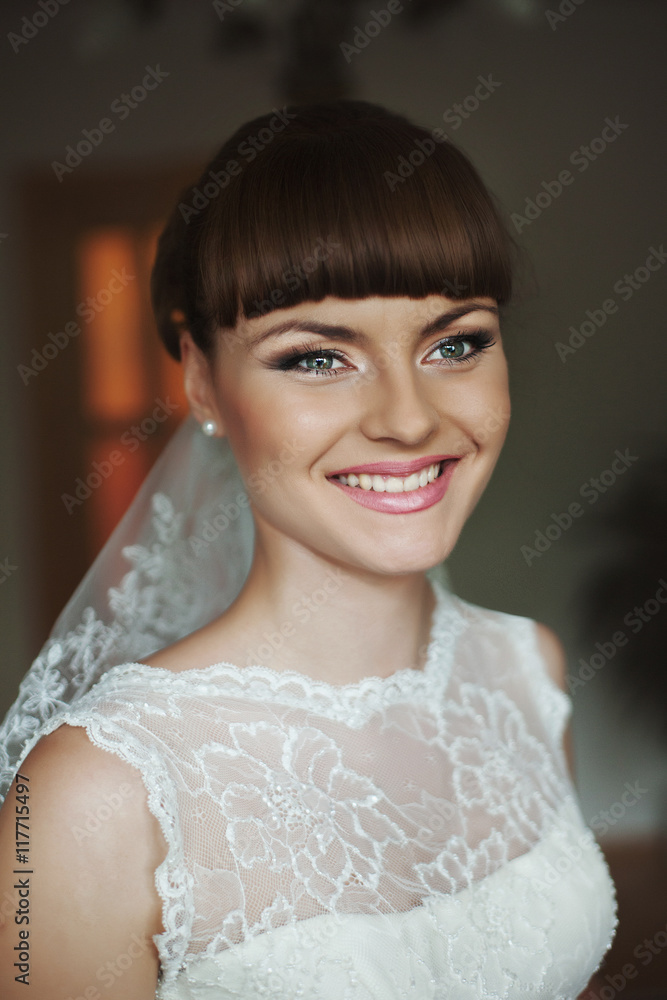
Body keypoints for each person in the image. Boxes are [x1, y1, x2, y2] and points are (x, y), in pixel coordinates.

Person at [0, 99, 616, 999]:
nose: (408, 419)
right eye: (317, 359)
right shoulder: (96, 793)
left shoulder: (526, 670)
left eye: (455, 344)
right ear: (201, 379)